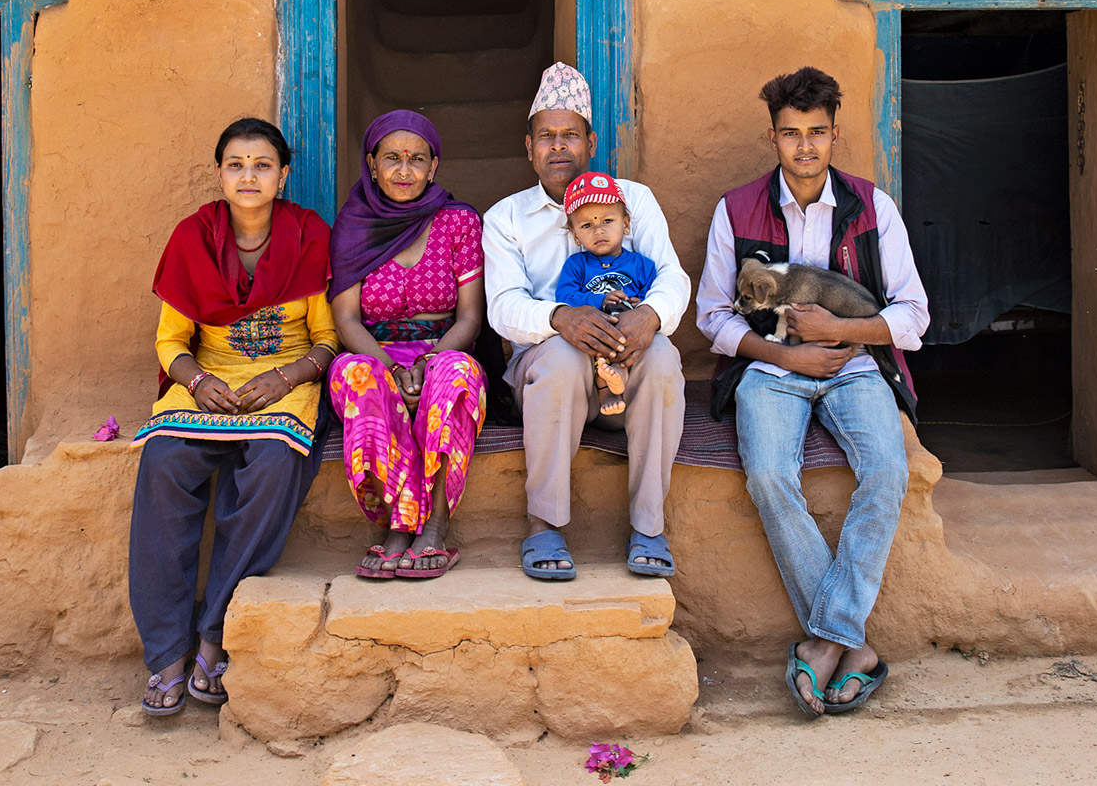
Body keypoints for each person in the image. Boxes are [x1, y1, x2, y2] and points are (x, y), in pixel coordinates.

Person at [695, 67, 929, 717]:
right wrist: (787, 353)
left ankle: (825, 642)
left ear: (834, 134)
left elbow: (914, 317)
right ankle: (854, 650)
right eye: (792, 134)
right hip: (770, 368)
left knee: (887, 468)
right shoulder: (735, 209)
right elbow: (712, 317)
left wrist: (840, 331)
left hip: (855, 364)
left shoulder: (872, 207)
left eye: (817, 133)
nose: (805, 147)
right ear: (772, 136)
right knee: (769, 474)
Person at [126, 117, 337, 715]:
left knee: (274, 463)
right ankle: (166, 649)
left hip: (285, 380)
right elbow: (171, 342)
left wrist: (284, 377)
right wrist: (197, 380)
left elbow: (325, 340)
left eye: (262, 165)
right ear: (220, 173)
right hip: (209, 380)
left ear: (283, 175)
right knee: (165, 462)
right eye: (236, 165)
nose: (249, 176)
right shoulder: (191, 237)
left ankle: (214, 633)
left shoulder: (307, 235)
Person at [482, 62, 691, 581]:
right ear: (528, 147)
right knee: (559, 355)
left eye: (570, 135)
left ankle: (649, 526)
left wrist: (651, 315)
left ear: (590, 142)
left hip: (628, 362)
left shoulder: (633, 200)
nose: (558, 147)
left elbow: (673, 277)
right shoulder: (505, 217)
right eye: (546, 137)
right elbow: (502, 306)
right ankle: (544, 525)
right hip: (553, 375)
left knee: (664, 357)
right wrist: (558, 318)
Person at [327, 110, 487, 581]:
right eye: (392, 158)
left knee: (456, 374)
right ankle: (398, 526)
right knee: (359, 376)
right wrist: (392, 369)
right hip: (373, 351)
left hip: (443, 348)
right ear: (371, 163)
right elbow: (346, 319)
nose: (404, 170)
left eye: (417, 159)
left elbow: (471, 318)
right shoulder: (353, 226)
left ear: (434, 166)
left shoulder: (458, 222)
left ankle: (434, 527)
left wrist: (428, 362)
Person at [555, 170, 659, 416]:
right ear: (575, 235)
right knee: (594, 348)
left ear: (625, 224)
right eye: (587, 225)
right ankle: (607, 389)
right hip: (595, 329)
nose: (598, 230)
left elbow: (655, 294)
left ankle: (615, 381)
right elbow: (565, 296)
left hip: (628, 333)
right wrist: (598, 299)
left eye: (607, 221)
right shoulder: (576, 265)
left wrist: (641, 303)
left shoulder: (642, 265)